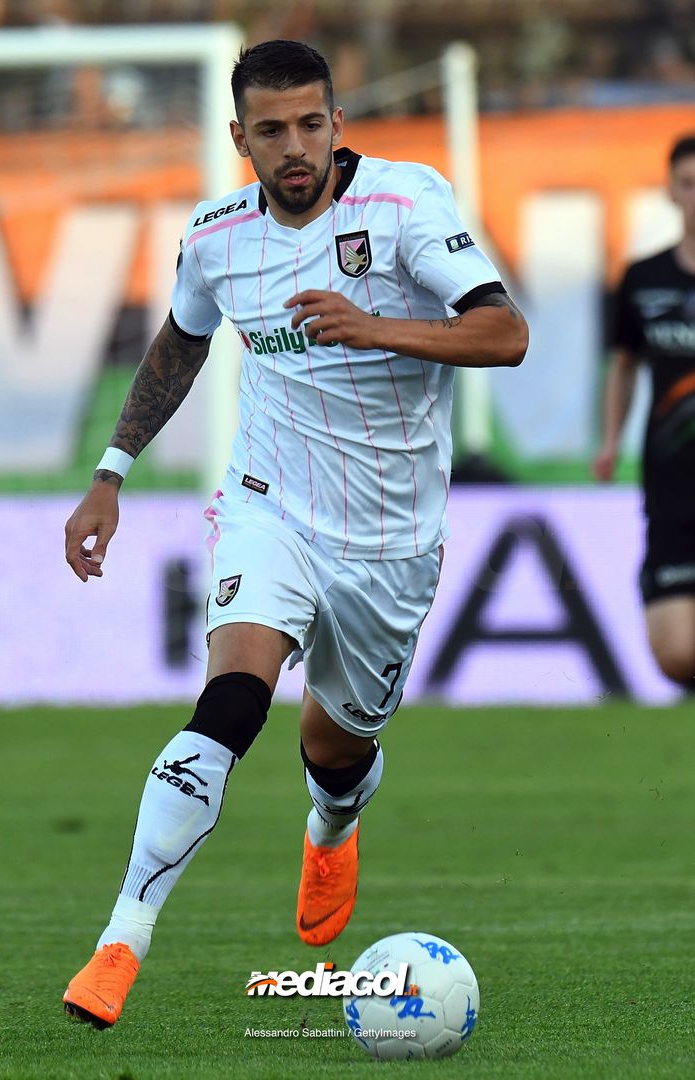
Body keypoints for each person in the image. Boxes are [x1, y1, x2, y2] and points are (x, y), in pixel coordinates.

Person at [61, 39, 528, 1029]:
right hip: (269, 503)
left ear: (335, 124)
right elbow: (181, 341)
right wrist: (110, 472)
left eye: (310, 124)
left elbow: (502, 333)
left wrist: (376, 327)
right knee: (232, 701)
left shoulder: (405, 206)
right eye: (271, 131)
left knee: (336, 744)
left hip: (390, 539)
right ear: (240, 138)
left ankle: (333, 822)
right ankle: (121, 937)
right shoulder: (219, 233)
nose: (294, 147)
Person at [593, 134, 695, 690]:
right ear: (672, 192)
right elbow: (624, 365)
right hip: (671, 479)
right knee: (676, 654)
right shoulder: (643, 278)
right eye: (688, 184)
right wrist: (610, 442)